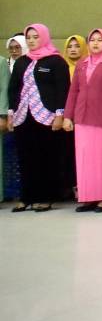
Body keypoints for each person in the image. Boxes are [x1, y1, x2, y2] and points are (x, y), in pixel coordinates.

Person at [7, 24, 74, 212]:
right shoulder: (22, 62)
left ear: (44, 37)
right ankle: (27, 197)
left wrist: (60, 114)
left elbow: (63, 89)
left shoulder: (56, 61)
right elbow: (13, 89)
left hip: (47, 116)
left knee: (47, 158)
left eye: (35, 37)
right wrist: (12, 112)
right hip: (23, 115)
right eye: (29, 37)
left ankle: (46, 197)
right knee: (25, 157)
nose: (31, 41)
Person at [63, 28, 102, 212]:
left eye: (99, 40)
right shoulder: (82, 64)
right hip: (82, 117)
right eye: (92, 40)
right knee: (84, 159)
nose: (96, 43)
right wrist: (68, 116)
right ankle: (88, 197)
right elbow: (73, 91)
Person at [1, 35, 21, 203]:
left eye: (18, 47)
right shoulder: (6, 62)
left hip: (21, 115)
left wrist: (4, 114)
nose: (14, 51)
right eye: (11, 48)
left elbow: (5, 90)